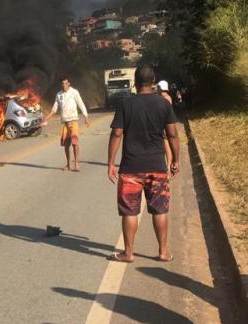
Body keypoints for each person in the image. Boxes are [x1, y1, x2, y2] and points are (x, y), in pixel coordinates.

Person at [107, 64, 179, 263]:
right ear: (153, 81)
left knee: (129, 211)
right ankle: (163, 252)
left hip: (130, 168)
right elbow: (172, 134)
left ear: (135, 83)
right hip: (157, 166)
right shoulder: (163, 104)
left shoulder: (125, 103)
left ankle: (128, 253)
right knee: (160, 209)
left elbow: (116, 133)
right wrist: (176, 160)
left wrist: (111, 162)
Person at [43, 77, 90, 171]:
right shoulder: (59, 94)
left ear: (69, 84)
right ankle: (68, 164)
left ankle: (76, 164)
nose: (64, 85)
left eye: (65, 83)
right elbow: (54, 109)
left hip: (73, 121)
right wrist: (46, 118)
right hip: (64, 122)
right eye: (62, 84)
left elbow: (81, 104)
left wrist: (86, 117)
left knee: (75, 143)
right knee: (66, 144)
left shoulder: (74, 92)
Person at [157, 79, 173, 168]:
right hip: (167, 123)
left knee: (166, 144)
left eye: (158, 88)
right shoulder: (168, 97)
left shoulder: (164, 99)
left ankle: (169, 164)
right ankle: (169, 163)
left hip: (165, 124)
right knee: (166, 144)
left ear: (160, 88)